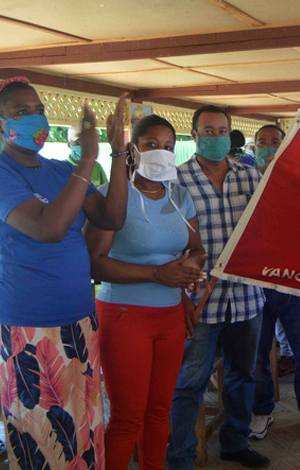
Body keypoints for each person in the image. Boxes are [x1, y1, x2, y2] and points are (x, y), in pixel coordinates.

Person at [0, 77, 129, 469]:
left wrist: (119, 153)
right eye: (20, 113)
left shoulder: (62, 171)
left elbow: (111, 217)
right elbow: (49, 228)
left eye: (38, 110)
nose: (34, 118)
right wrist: (88, 161)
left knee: (84, 423)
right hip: (28, 324)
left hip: (78, 315)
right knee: (45, 436)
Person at [86, 114, 207, 470]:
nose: (162, 153)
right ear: (133, 150)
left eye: (169, 147)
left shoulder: (180, 196)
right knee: (127, 418)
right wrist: (157, 274)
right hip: (125, 316)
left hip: (170, 316)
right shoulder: (113, 195)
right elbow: (94, 263)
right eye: (152, 145)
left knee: (159, 412)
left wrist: (190, 273)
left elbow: (196, 248)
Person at [168, 105, 268, 470]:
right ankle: (180, 457)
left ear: (231, 134)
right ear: (193, 136)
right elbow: (167, 244)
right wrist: (178, 297)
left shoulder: (250, 176)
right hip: (198, 301)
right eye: (207, 131)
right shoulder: (176, 181)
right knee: (190, 383)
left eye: (221, 130)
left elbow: (266, 227)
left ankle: (235, 442)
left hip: (245, 297)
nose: (215, 137)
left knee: (243, 376)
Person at [249, 124, 300, 440]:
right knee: (258, 353)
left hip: (296, 283)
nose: (269, 146)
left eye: (275, 142)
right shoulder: (243, 182)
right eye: (263, 142)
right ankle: (262, 410)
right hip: (254, 285)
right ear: (253, 149)